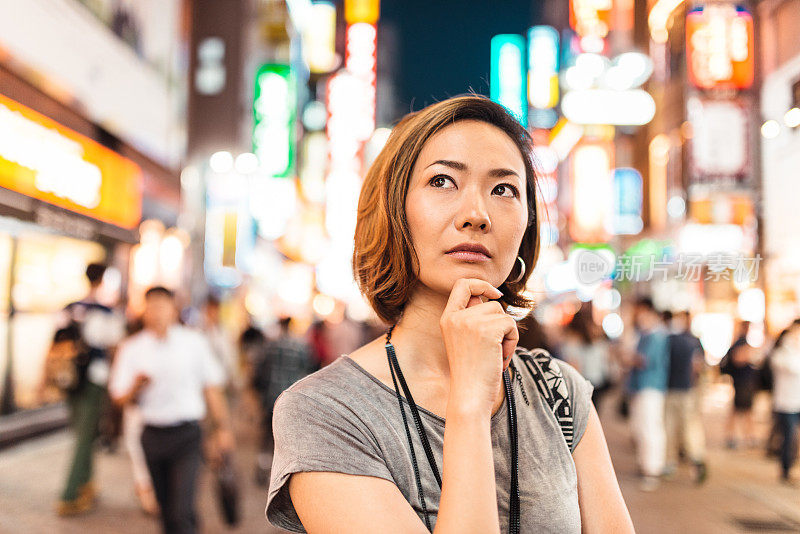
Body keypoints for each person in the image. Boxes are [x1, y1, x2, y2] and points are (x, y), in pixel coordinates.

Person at [266, 96, 633, 533]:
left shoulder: (558, 391)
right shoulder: (326, 412)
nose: (476, 215)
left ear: (526, 227)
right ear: (393, 210)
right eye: (442, 181)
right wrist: (470, 402)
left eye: (504, 189)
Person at [110, 287, 234, 534]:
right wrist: (136, 387)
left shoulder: (193, 343)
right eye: (152, 306)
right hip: (152, 435)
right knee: (165, 508)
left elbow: (212, 388)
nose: (157, 312)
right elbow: (119, 399)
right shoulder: (132, 348)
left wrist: (222, 429)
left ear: (173, 309)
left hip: (187, 435)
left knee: (182, 508)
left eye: (162, 305)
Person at [48, 262, 124, 515]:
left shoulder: (69, 308)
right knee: (84, 437)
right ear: (103, 280)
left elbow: (54, 344)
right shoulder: (106, 312)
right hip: (94, 379)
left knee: (85, 433)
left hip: (69, 379)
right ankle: (69, 495)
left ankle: (87, 484)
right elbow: (115, 348)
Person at [252, 316, 314, 481]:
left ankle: (262, 468)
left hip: (271, 397)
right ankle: (283, 475)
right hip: (292, 399)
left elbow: (260, 372)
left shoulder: (270, 346)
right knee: (287, 438)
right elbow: (308, 370)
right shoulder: (300, 347)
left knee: (266, 437)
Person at [627, 297, 670, 491]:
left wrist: (627, 357)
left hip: (650, 388)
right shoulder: (647, 335)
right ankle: (648, 466)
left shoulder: (657, 335)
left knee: (650, 427)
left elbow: (646, 360)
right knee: (644, 427)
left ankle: (652, 468)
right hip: (643, 387)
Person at [663, 310, 708, 484]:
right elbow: (699, 366)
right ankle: (696, 459)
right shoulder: (694, 341)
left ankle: (670, 463)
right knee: (690, 426)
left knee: (670, 427)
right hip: (688, 389)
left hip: (671, 389)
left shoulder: (670, 340)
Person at [560, 307, 612, 409]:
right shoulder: (597, 340)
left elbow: (574, 366)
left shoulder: (572, 342)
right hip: (597, 380)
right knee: (595, 410)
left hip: (583, 382)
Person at [769, 319, 800, 483]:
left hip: (796, 401)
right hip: (786, 403)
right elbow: (793, 368)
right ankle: (786, 470)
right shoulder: (782, 353)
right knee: (788, 437)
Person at [720, 320, 760, 448]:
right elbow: (737, 358)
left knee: (741, 410)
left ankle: (741, 436)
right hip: (742, 382)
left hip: (743, 381)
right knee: (742, 411)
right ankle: (741, 437)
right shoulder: (741, 342)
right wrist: (750, 354)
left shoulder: (742, 342)